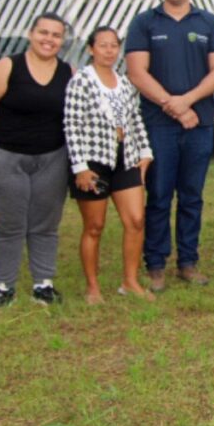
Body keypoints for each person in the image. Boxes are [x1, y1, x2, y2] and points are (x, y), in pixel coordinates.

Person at [126, 0, 214, 292]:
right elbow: (137, 72)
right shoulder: (144, 23)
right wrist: (174, 105)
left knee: (192, 196)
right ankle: (155, 265)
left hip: (198, 124)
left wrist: (187, 101)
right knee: (158, 194)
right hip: (158, 124)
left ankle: (188, 262)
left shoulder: (209, 23)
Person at [0, 12, 73, 308]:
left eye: (56, 35)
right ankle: (4, 287)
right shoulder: (8, 66)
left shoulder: (69, 72)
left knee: (45, 225)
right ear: (30, 34)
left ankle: (43, 284)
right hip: (6, 158)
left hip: (52, 158)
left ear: (62, 41)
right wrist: (0, 137)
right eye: (43, 32)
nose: (48, 40)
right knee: (9, 226)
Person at [64, 27, 155, 303]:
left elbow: (135, 118)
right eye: (102, 45)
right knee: (95, 226)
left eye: (114, 46)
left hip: (125, 158)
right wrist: (80, 166)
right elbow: (71, 125)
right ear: (91, 49)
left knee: (137, 220)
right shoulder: (81, 82)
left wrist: (146, 150)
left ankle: (130, 281)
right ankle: (93, 287)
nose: (109, 51)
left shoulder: (125, 83)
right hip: (93, 162)